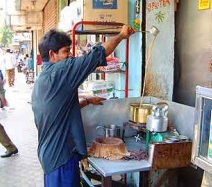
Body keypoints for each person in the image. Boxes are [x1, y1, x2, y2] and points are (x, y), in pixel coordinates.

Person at [31, 25, 135, 186]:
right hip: (61, 159)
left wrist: (87, 102)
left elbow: (59, 110)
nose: (70, 56)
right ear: (52, 54)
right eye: (66, 51)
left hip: (50, 156)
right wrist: (121, 35)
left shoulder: (43, 79)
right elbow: (97, 54)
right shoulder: (61, 71)